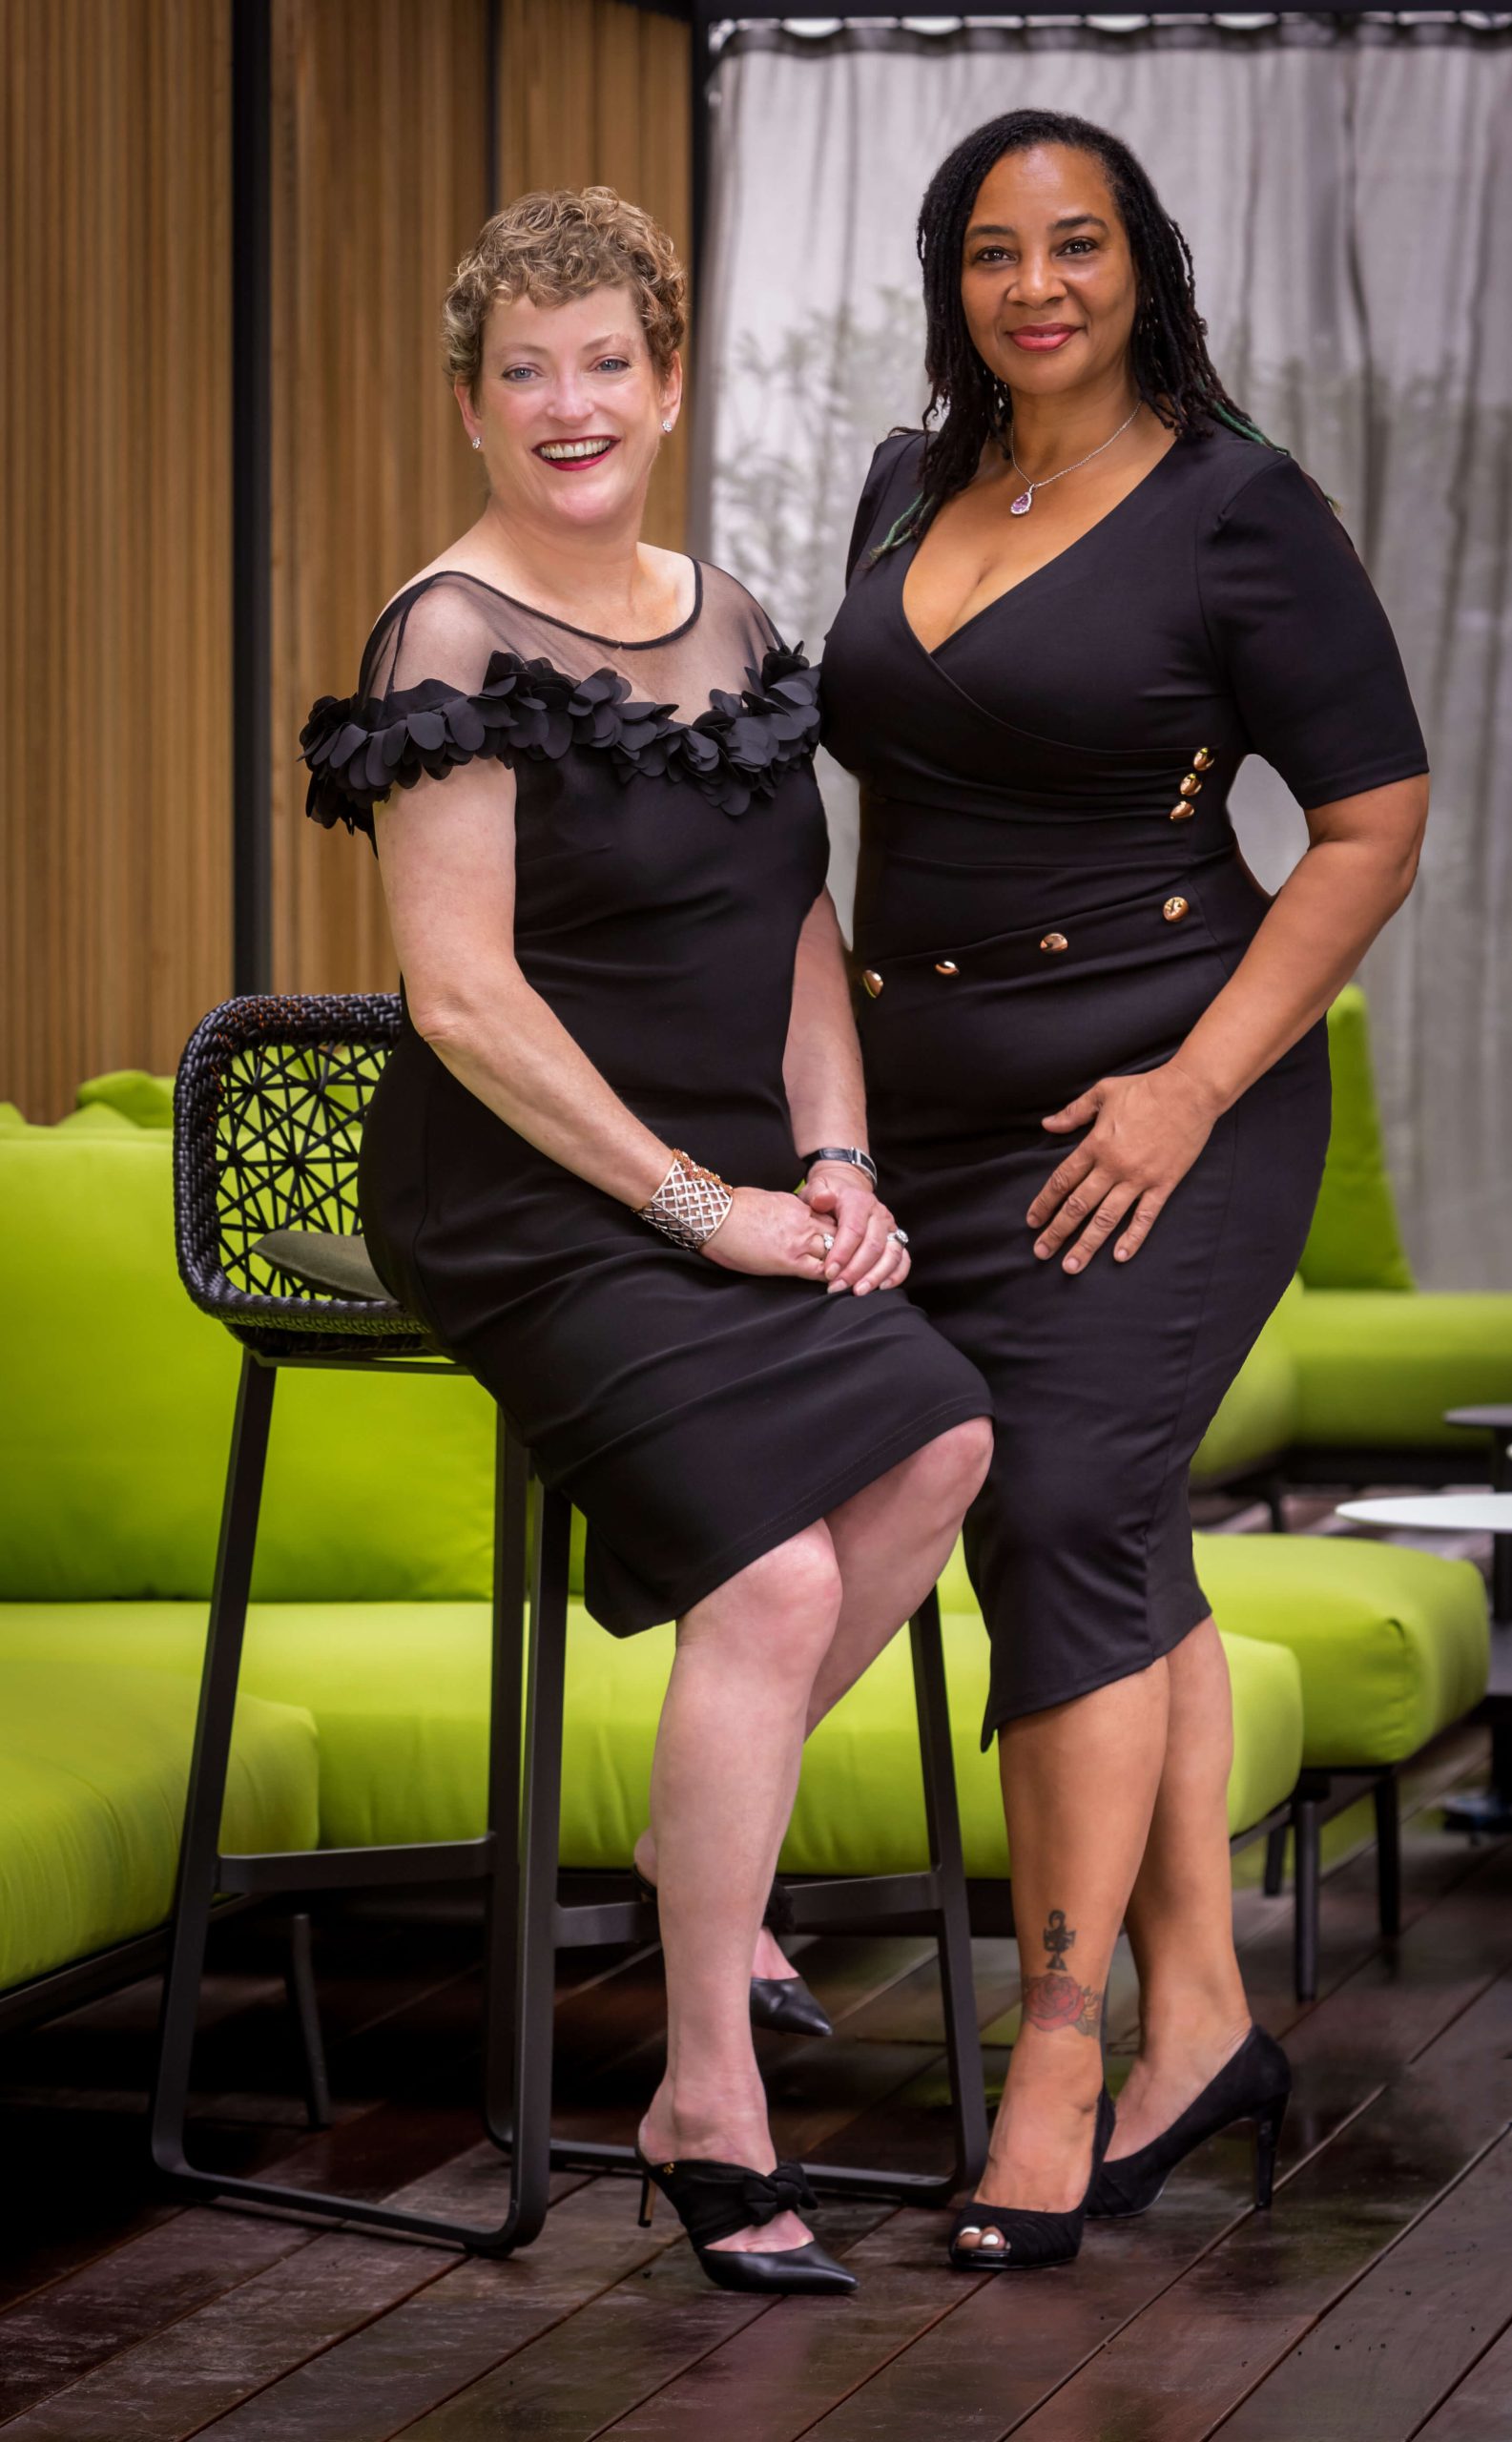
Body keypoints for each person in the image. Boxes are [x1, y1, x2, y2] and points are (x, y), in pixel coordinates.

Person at [300, 186, 991, 2297]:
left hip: (735, 1171)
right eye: (525, 371)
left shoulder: (738, 611)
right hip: (521, 1188)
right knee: (777, 1566)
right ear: (470, 405)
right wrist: (713, 1216)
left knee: (945, 1446)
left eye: (606, 361)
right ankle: (706, 2085)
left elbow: (793, 918)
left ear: (671, 384)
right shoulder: (445, 634)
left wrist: (841, 1165)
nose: (569, 403)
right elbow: (466, 1002)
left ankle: (719, 1866)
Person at [821, 110, 1429, 2270]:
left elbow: (1369, 822)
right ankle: (1203, 2020)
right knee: (1099, 1534)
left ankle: (1060, 2046)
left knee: (1061, 1512)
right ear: (951, 279)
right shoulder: (912, 481)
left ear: (1139, 262)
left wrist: (1182, 1086)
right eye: (992, 252)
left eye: (1074, 245)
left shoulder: (1241, 512)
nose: (1036, 286)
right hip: (927, 1127)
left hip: (1161, 1116)